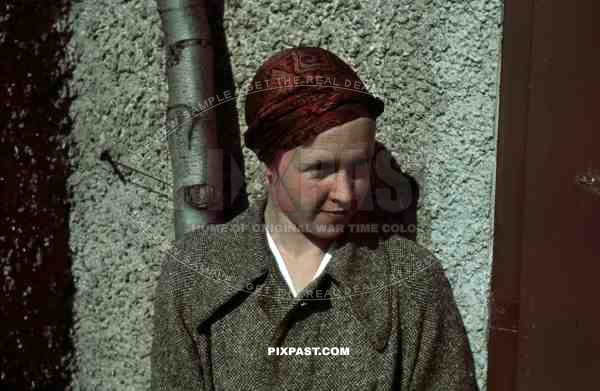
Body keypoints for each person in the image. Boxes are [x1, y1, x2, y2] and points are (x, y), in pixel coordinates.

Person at [151, 46, 479, 391]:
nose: (346, 193)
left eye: (360, 167)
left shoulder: (412, 282)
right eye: (319, 169)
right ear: (269, 168)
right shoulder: (194, 271)